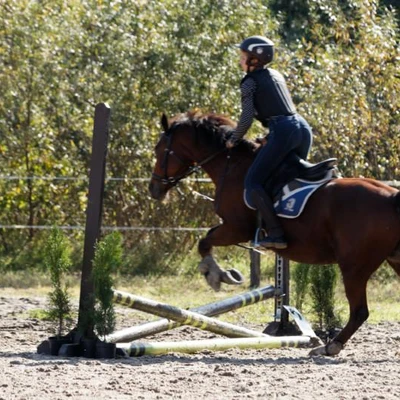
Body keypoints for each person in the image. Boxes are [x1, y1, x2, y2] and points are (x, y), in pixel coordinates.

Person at [226, 35, 313, 250]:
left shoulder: (249, 82)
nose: (240, 61)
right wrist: (269, 138)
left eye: (243, 57)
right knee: (286, 179)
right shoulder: (276, 75)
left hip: (283, 131)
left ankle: (276, 234)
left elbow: (246, 118)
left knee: (252, 182)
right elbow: (281, 110)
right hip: (302, 128)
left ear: (254, 60)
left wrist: (233, 139)